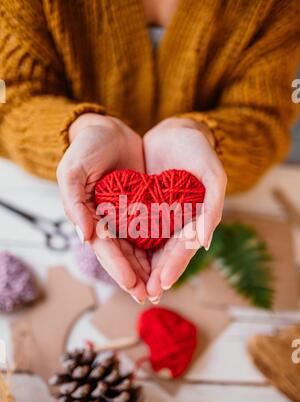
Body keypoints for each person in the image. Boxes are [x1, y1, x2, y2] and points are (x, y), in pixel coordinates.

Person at [0, 0, 299, 304]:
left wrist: (203, 135)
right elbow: (10, 102)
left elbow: (265, 123)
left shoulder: (273, 7)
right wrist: (80, 130)